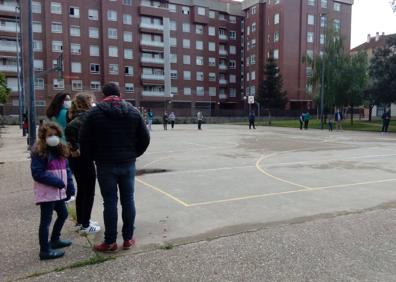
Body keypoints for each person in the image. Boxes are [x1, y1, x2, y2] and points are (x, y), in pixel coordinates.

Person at [80, 83, 150, 252]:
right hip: (127, 163)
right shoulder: (133, 111)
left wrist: (92, 158)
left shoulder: (94, 113)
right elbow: (145, 138)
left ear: (103, 94)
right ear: (120, 93)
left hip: (105, 164)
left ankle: (110, 241)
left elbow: (84, 139)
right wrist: (134, 153)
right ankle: (128, 238)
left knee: (110, 202)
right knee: (128, 200)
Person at [31, 122, 75, 260]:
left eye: (56, 135)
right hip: (47, 193)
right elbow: (37, 173)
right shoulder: (39, 152)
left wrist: (70, 185)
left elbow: (66, 170)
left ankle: (55, 240)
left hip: (58, 192)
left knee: (63, 214)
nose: (54, 138)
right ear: (43, 136)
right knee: (46, 221)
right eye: (50, 135)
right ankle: (44, 250)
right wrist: (57, 182)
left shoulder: (60, 150)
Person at [65, 93, 100, 235]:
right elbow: (70, 131)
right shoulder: (86, 117)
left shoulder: (73, 116)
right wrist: (75, 147)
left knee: (82, 189)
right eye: (91, 101)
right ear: (86, 103)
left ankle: (81, 221)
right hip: (83, 157)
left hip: (75, 159)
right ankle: (86, 224)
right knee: (89, 191)